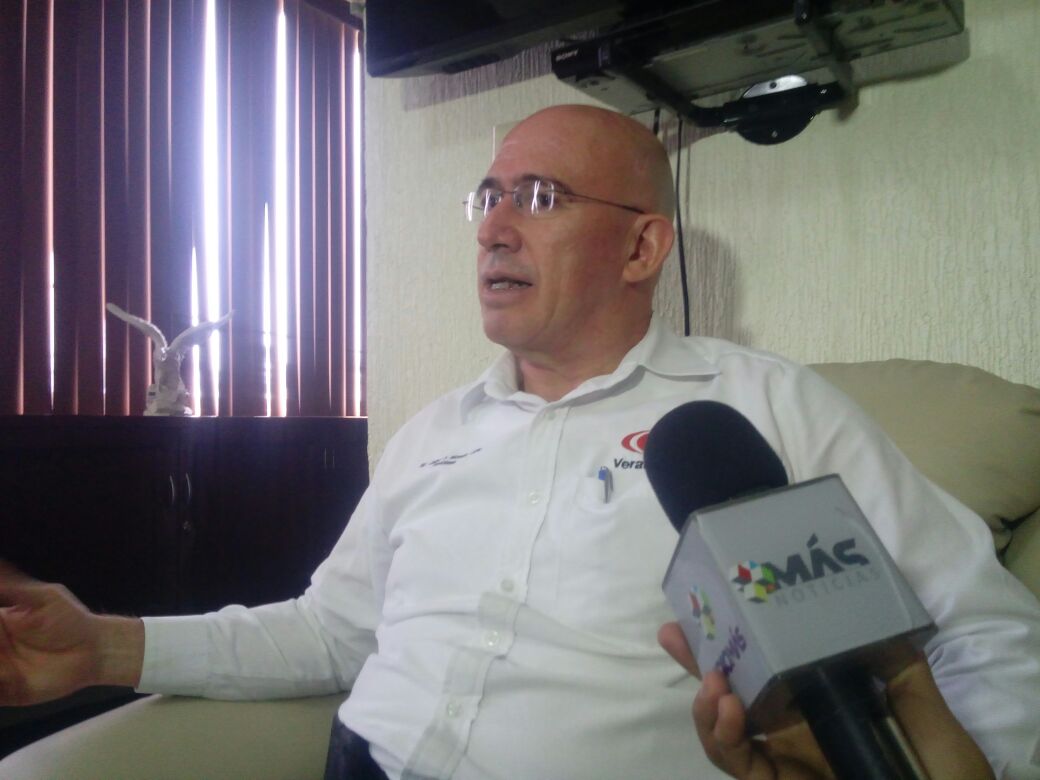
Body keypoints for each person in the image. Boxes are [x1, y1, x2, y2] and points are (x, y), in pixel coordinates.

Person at [2, 105, 1038, 780]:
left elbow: (983, 631)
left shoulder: (757, 413)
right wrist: (105, 645)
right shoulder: (433, 432)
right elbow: (331, 631)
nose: (493, 227)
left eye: (539, 198)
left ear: (642, 246)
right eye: (487, 197)